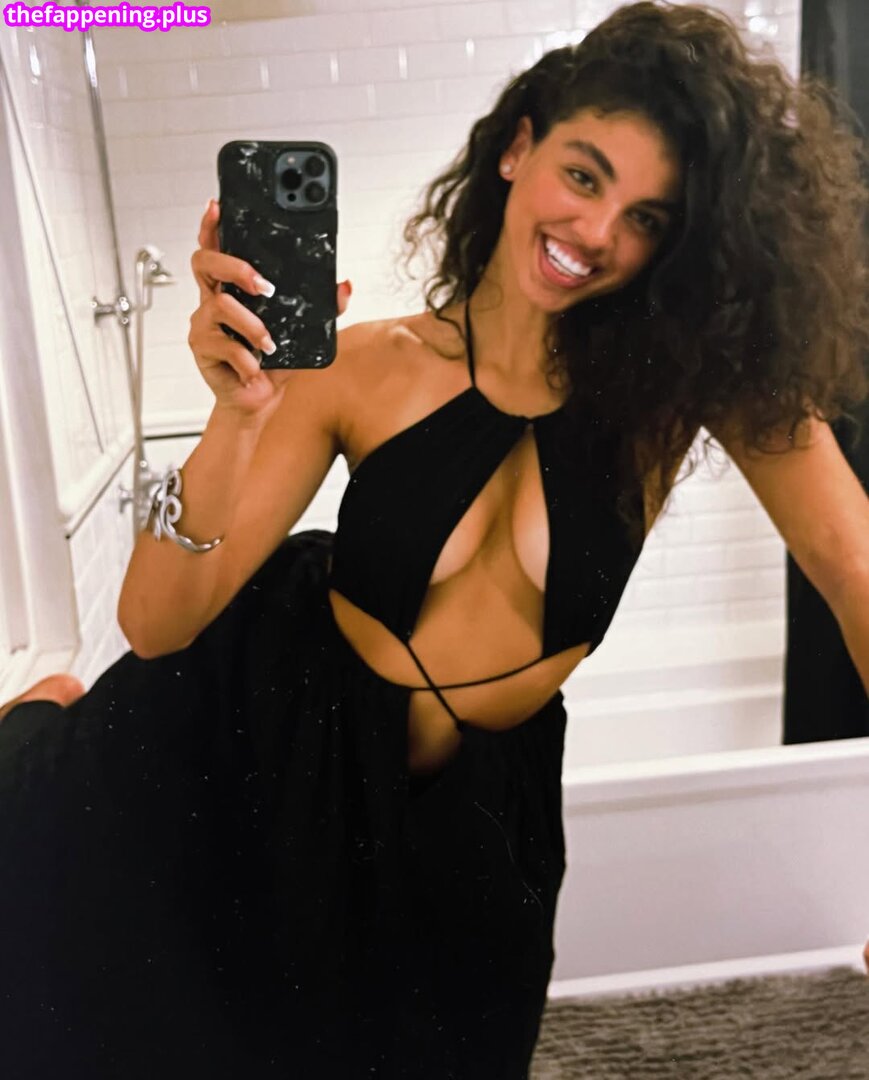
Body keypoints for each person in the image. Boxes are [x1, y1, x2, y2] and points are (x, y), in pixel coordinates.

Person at [2, 2, 868, 1076]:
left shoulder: (683, 396)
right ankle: (39, 721)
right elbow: (155, 624)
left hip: (485, 807)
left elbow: (852, 569)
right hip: (282, 750)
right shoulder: (361, 365)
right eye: (583, 174)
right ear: (517, 149)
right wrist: (237, 416)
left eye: (647, 217)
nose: (598, 232)